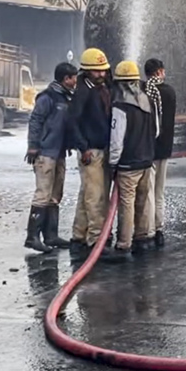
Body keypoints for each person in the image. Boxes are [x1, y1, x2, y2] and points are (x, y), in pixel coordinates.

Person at [106, 60, 158, 262]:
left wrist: (113, 163)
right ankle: (142, 238)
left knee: (126, 204)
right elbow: (156, 130)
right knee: (143, 201)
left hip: (128, 164)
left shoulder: (121, 106)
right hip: (146, 161)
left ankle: (123, 245)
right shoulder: (148, 101)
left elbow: (116, 139)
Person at [24, 61, 77, 253]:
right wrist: (33, 146)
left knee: (55, 195)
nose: (75, 81)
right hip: (45, 152)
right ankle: (32, 237)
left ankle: (51, 235)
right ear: (66, 79)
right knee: (42, 194)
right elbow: (35, 120)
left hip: (59, 153)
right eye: (73, 78)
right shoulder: (48, 97)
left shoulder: (65, 97)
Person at [67, 48, 113, 253]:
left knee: (86, 193)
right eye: (97, 71)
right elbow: (72, 121)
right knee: (96, 196)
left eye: (103, 71)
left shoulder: (99, 88)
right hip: (91, 151)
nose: (101, 75)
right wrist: (83, 147)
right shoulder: (83, 91)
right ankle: (96, 240)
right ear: (86, 71)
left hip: (100, 148)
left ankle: (79, 235)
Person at [144, 58, 177, 247]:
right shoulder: (169, 92)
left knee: (147, 192)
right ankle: (159, 230)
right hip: (164, 148)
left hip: (148, 149)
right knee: (159, 192)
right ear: (160, 72)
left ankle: (147, 230)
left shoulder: (145, 92)